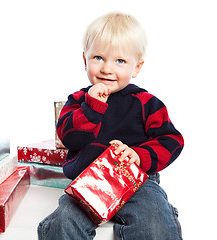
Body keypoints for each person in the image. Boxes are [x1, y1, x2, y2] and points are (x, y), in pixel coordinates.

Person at [38, 12, 184, 240]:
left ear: (136, 67)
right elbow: (69, 137)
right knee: (63, 223)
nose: (107, 68)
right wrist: (92, 107)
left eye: (120, 61)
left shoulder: (147, 103)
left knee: (155, 224)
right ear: (85, 60)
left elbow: (172, 141)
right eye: (98, 58)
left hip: (137, 183)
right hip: (87, 182)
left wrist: (138, 155)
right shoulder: (77, 101)